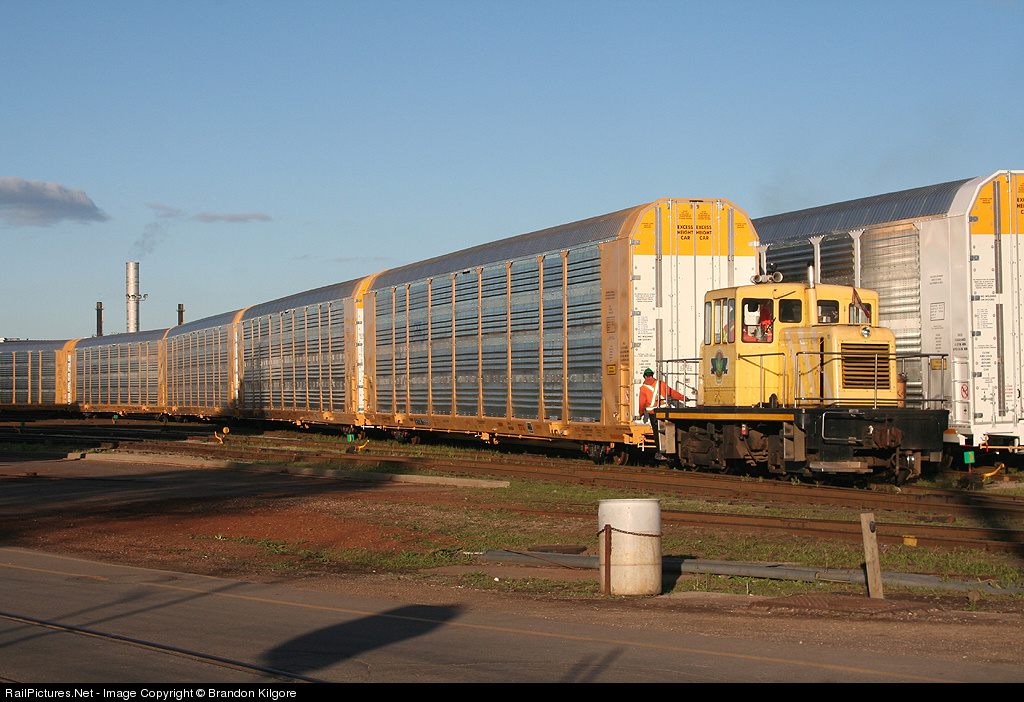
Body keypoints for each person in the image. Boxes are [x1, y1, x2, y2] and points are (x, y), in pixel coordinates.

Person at [637, 368, 686, 454]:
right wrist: (684, 398)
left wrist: (641, 413)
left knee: (656, 432)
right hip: (664, 411)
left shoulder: (643, 388)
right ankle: (671, 448)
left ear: (645, 376)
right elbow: (672, 392)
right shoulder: (661, 384)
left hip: (653, 413)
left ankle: (659, 451)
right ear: (652, 375)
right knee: (667, 431)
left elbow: (642, 403)